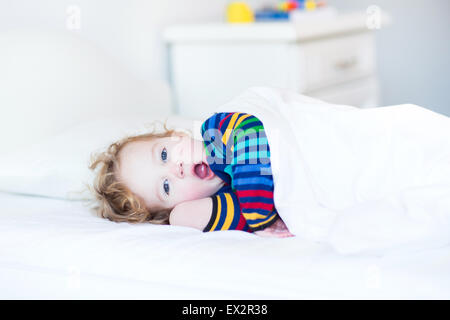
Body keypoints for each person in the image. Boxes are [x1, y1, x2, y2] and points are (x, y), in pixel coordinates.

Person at [89, 111, 293, 238]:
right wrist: (178, 216)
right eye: (166, 187)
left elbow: (250, 132)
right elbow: (241, 215)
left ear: (178, 136)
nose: (175, 169)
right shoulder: (228, 201)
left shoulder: (217, 130)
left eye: (163, 154)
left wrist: (259, 216)